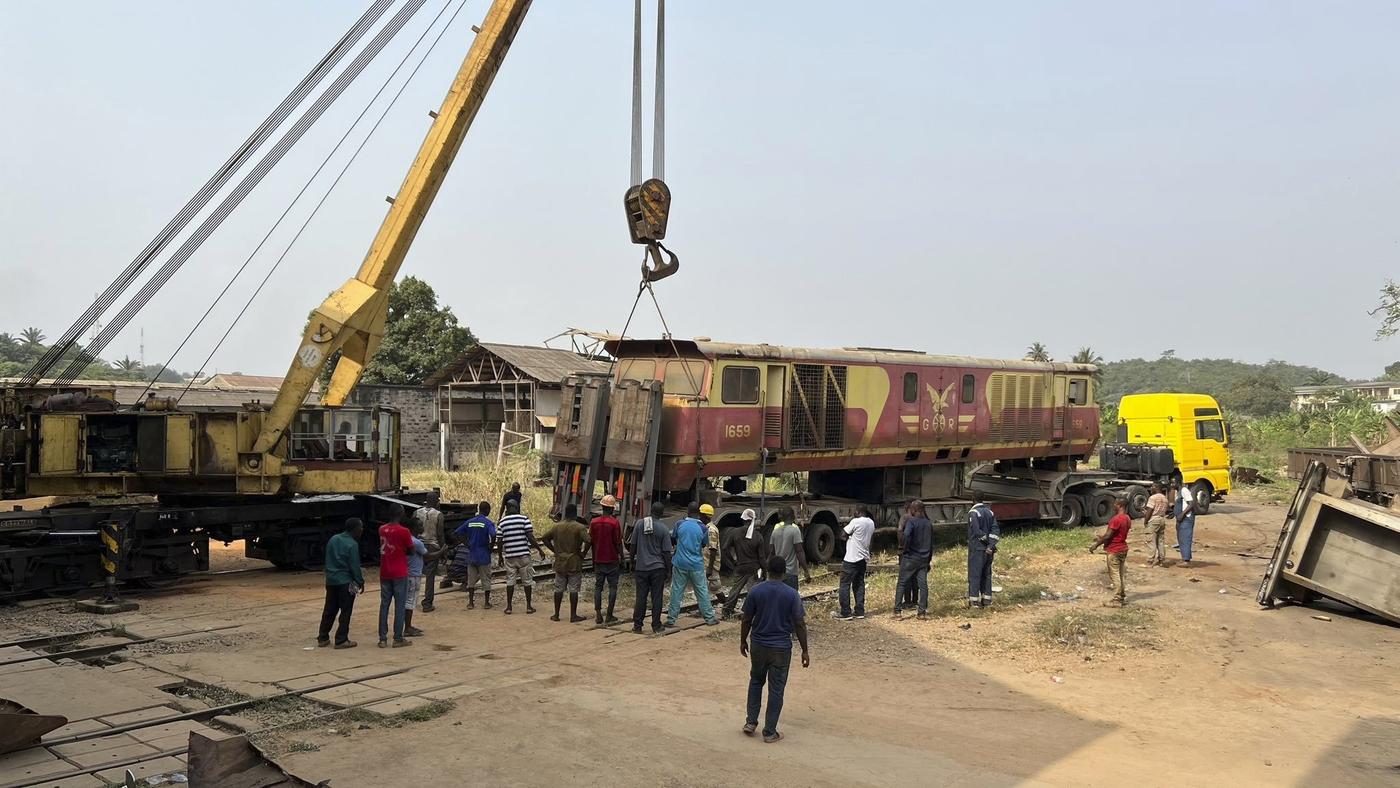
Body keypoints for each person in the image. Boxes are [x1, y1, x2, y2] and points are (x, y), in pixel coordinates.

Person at [740, 555, 810, 744]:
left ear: (768, 570)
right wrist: (805, 650)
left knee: (756, 681)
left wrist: (742, 641)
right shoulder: (791, 594)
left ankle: (750, 722)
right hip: (780, 647)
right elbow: (799, 624)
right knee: (776, 689)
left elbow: (746, 619)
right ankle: (769, 732)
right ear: (784, 572)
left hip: (758, 645)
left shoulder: (755, 591)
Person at [666, 503, 719, 627]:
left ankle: (671, 619)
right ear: (699, 513)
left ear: (687, 511)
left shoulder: (679, 524)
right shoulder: (704, 528)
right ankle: (710, 619)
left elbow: (673, 539)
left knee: (676, 592)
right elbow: (703, 545)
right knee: (702, 592)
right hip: (696, 565)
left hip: (680, 563)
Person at [317, 517, 364, 649]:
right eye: (360, 528)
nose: (362, 530)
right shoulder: (352, 544)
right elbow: (354, 566)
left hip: (331, 580)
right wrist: (360, 581)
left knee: (329, 609)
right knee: (345, 610)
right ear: (355, 529)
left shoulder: (334, 539)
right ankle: (341, 639)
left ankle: (323, 637)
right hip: (346, 582)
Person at [629, 500, 673, 633]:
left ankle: (637, 626)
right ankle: (656, 625)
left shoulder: (639, 524)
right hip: (657, 568)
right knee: (656, 597)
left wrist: (632, 561)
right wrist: (669, 570)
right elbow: (666, 552)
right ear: (662, 514)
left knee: (641, 597)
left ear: (651, 511)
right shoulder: (664, 529)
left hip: (641, 568)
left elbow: (633, 545)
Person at [542, 503, 591, 622]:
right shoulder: (579, 527)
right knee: (573, 589)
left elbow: (544, 538)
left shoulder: (557, 527)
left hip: (560, 562)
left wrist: (555, 550)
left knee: (558, 588)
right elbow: (589, 540)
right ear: (575, 514)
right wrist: (583, 553)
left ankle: (556, 614)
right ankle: (573, 615)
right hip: (574, 561)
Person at [497, 500, 545, 614]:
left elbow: (499, 541)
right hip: (523, 555)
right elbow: (530, 537)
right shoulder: (524, 519)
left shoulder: (502, 522)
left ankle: (509, 607)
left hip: (510, 557)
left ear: (507, 509)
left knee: (510, 582)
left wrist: (499, 556)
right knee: (527, 581)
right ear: (517, 507)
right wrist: (540, 549)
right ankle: (528, 607)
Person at [721, 509, 769, 620]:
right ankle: (750, 612)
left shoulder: (734, 532)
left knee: (735, 590)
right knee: (753, 591)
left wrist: (732, 562)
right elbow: (761, 557)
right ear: (753, 520)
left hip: (740, 567)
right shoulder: (758, 536)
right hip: (754, 568)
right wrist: (765, 571)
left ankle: (727, 611)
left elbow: (725, 548)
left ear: (743, 519)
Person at [377, 505, 414, 648]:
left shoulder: (382, 529)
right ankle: (398, 637)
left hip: (385, 570)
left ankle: (382, 638)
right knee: (399, 605)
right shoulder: (404, 531)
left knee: (384, 604)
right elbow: (411, 550)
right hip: (399, 571)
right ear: (401, 514)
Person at [453, 502, 497, 609]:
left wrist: (466, 543)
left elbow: (457, 532)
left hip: (472, 554)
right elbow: (494, 534)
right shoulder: (487, 523)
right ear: (487, 509)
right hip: (483, 554)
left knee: (471, 580)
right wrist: (491, 547)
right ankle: (486, 603)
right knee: (486, 579)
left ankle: (471, 603)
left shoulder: (470, 522)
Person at [834, 506, 875, 620]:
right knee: (859, 584)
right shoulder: (871, 523)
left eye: (855, 512)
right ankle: (859, 611)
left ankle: (845, 612)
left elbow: (842, 535)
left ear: (858, 512)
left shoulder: (855, 522)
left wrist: (849, 538)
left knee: (844, 584)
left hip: (852, 558)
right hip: (863, 558)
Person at [894, 501, 933, 619]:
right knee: (923, 585)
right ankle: (921, 612)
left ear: (915, 510)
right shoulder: (928, 523)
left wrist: (904, 549)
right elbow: (931, 544)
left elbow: (906, 536)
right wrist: (929, 560)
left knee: (902, 583)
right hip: (924, 559)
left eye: (911, 509)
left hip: (911, 557)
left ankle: (897, 612)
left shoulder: (911, 522)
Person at [590, 495, 625, 624]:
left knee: (598, 587)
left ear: (602, 507)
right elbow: (618, 542)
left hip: (598, 560)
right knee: (613, 587)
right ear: (612, 509)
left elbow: (590, 540)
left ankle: (598, 614)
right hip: (612, 560)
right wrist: (622, 557)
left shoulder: (594, 522)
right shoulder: (614, 523)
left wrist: (584, 553)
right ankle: (609, 615)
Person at [1091, 498, 1132, 606]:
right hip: (1123, 548)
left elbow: (1109, 535)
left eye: (1115, 504)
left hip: (1114, 549)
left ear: (1119, 505)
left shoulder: (1116, 519)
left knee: (1114, 574)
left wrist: (1096, 545)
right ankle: (1122, 596)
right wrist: (1102, 537)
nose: (1113, 506)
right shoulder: (1127, 518)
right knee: (1120, 573)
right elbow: (1115, 534)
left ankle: (1117, 599)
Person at [415, 490, 446, 611]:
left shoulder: (416, 512)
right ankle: (427, 603)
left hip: (418, 545)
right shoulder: (438, 515)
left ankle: (410, 600)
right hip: (433, 546)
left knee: (415, 572)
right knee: (430, 576)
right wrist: (443, 551)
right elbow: (440, 534)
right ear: (435, 501)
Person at [967, 494, 1000, 608]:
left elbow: (977, 532)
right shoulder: (990, 512)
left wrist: (986, 544)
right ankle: (986, 600)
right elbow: (995, 530)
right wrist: (991, 546)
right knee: (987, 574)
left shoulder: (973, 513)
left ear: (973, 500)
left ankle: (974, 601)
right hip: (988, 551)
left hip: (977, 549)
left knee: (975, 574)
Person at [769, 508, 811, 590]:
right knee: (791, 598)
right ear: (793, 516)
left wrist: (767, 569)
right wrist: (806, 571)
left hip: (777, 572)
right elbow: (799, 551)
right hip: (790, 572)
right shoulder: (795, 531)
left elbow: (771, 553)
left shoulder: (775, 532)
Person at [402, 519, 430, 637]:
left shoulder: (407, 539)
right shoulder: (417, 542)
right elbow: (428, 555)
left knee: (407, 600)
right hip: (414, 575)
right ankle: (407, 628)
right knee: (410, 601)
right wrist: (442, 551)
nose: (422, 527)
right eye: (420, 526)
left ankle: (407, 626)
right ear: (414, 528)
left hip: (406, 573)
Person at [702, 504, 725, 606]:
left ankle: (727, 605)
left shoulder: (711, 530)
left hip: (710, 564)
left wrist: (710, 568)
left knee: (716, 588)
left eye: (701, 514)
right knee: (705, 588)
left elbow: (713, 549)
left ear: (706, 516)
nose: (699, 517)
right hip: (706, 562)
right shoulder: (707, 528)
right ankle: (703, 609)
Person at [897, 502, 918, 609]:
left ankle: (907, 601)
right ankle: (915, 600)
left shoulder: (905, 517)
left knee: (905, 577)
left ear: (907, 507)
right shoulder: (919, 519)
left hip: (906, 551)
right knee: (915, 577)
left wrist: (902, 545)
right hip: (917, 552)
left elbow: (900, 530)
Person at [1143, 483, 1170, 567]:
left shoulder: (1152, 498)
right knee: (1160, 541)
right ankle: (1161, 560)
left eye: (1152, 486)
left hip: (1153, 520)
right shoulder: (1165, 498)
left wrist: (1146, 520)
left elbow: (1150, 510)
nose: (1151, 488)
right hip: (1162, 519)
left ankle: (1150, 561)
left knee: (1151, 541)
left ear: (1156, 487)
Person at [1174, 483, 1196, 568]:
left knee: (1185, 538)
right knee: (1181, 538)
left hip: (1186, 518)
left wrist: (1182, 514)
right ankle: (1184, 558)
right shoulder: (1178, 492)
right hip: (1180, 519)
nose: (1172, 484)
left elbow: (1191, 504)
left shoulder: (1184, 490)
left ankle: (1187, 560)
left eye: (1173, 482)